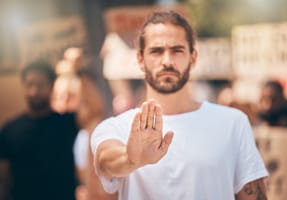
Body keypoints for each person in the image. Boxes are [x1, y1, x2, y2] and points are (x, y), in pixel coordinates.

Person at [91, 11, 268, 200]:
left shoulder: (233, 123)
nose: (167, 61)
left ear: (193, 58)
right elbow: (104, 162)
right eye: (156, 51)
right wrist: (132, 159)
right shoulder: (116, 127)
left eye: (177, 50)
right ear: (140, 60)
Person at [0, 60, 79, 200]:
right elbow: (4, 177)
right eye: (29, 84)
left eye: (40, 85)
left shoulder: (68, 123)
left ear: (51, 86)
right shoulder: (10, 130)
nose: (34, 91)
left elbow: (93, 111)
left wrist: (78, 71)